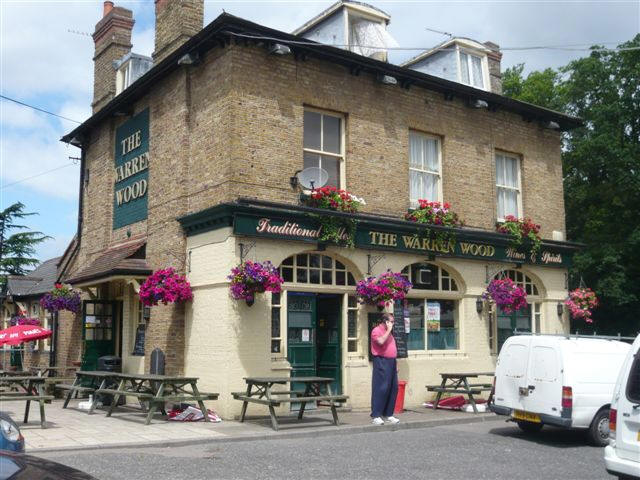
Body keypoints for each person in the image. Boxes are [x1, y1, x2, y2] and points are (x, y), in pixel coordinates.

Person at [370, 312, 400, 425]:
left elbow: (392, 349)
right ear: (385, 322)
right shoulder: (376, 331)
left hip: (391, 362)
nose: (393, 324)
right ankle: (376, 415)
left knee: (393, 388)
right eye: (391, 322)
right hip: (381, 361)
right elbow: (381, 342)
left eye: (393, 322)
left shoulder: (390, 333)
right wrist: (388, 330)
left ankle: (388, 414)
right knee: (381, 388)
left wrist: (395, 363)